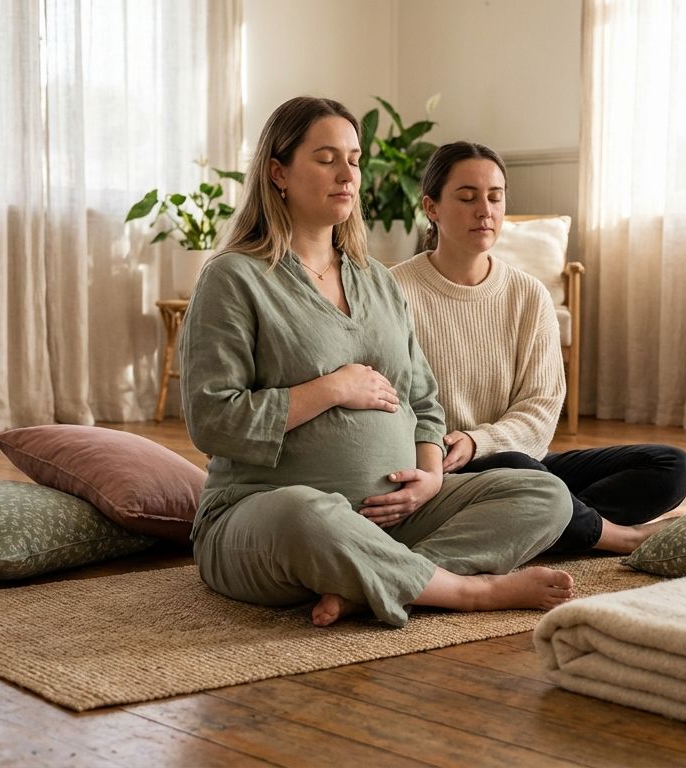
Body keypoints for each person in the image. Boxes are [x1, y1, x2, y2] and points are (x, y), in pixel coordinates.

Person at [178, 98, 575, 628]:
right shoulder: (233, 278)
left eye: (355, 159)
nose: (348, 174)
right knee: (305, 512)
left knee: (542, 493)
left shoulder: (378, 280)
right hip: (266, 514)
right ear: (278, 173)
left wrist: (430, 477)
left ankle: (375, 584)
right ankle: (466, 591)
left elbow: (424, 401)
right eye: (326, 159)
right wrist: (331, 389)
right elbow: (212, 420)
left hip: (394, 514)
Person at [390, 141, 686, 555]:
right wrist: (449, 451)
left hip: (517, 457)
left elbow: (541, 408)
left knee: (672, 466)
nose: (485, 210)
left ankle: (541, 525)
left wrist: (480, 441)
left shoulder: (528, 294)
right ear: (432, 207)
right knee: (520, 471)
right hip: (446, 474)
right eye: (467, 197)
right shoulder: (393, 291)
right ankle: (613, 536)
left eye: (495, 197)